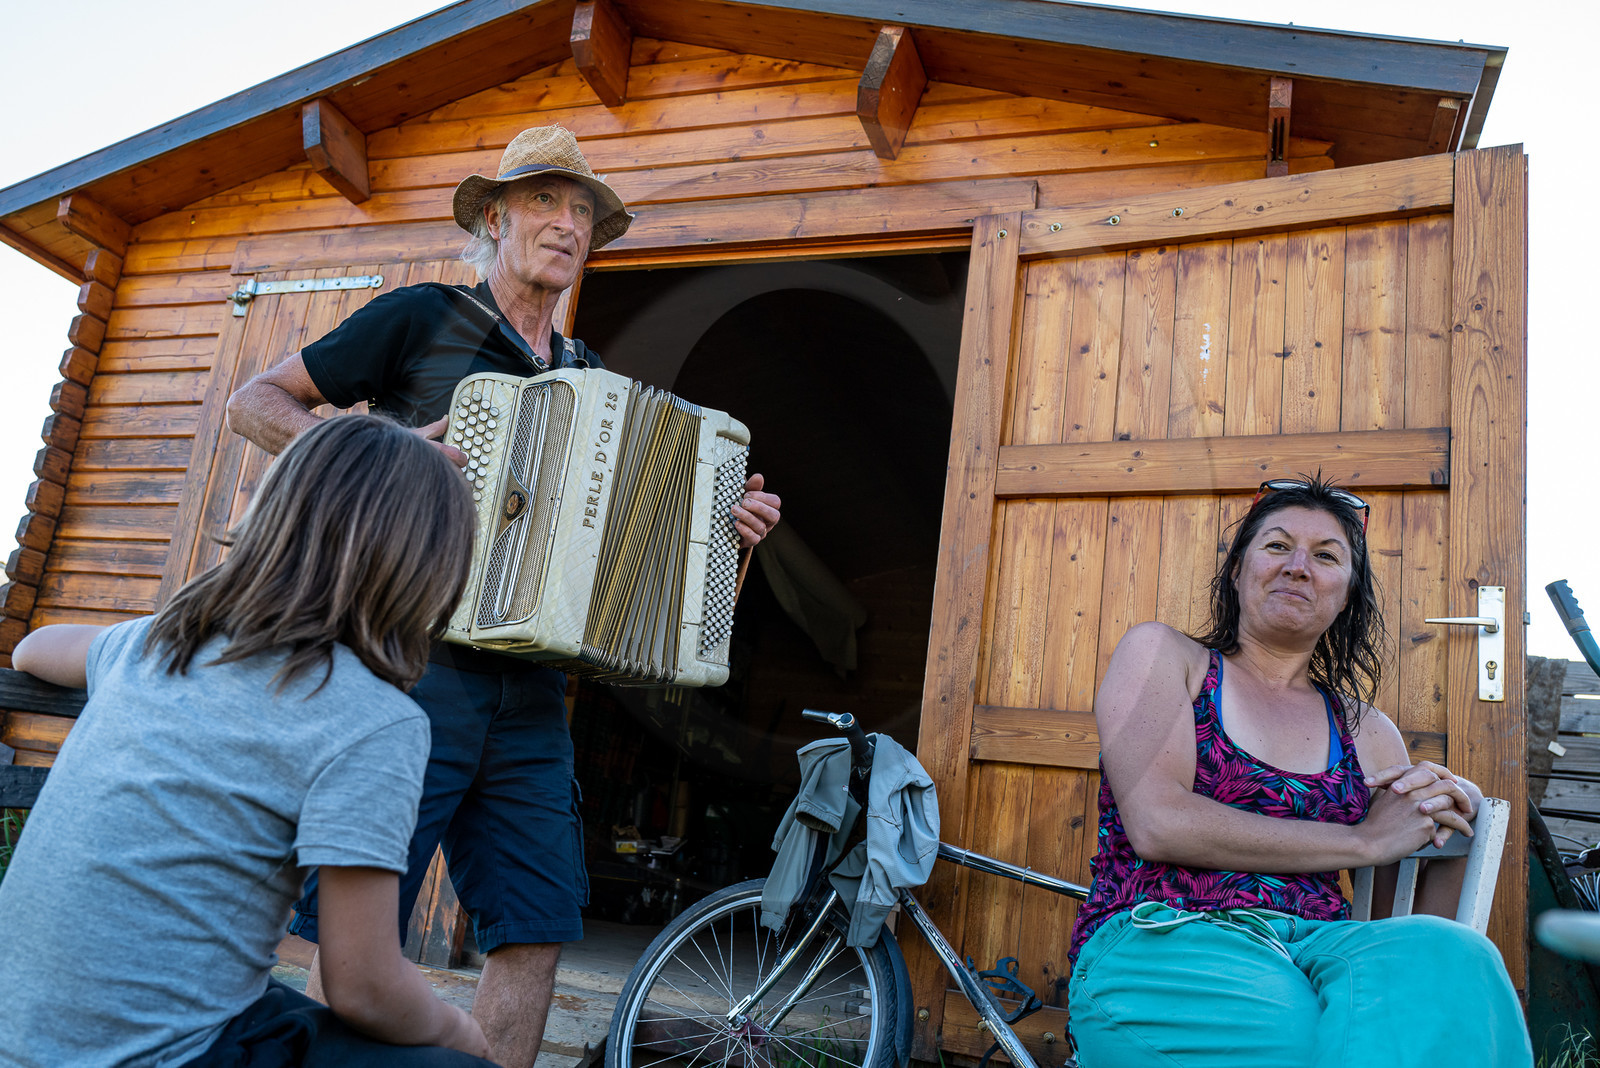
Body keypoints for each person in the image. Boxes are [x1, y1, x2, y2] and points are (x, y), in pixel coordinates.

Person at [225, 124, 782, 1067]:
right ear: (495, 216)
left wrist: (719, 532)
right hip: (407, 665)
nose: (568, 226)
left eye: (582, 213)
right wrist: (391, 454)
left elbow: (624, 550)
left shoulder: (589, 377)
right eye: (545, 203)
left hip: (531, 689)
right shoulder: (421, 319)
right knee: (368, 922)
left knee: (534, 923)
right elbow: (255, 403)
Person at [0, 415, 493, 1067]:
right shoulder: (373, 720)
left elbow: (34, 648)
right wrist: (465, 1033)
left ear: (273, 519)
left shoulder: (157, 644)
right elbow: (365, 986)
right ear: (425, 568)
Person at [1066, 475, 1531, 1068]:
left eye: (1326, 556)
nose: (1298, 567)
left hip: (1320, 949)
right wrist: (1361, 839)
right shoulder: (1168, 659)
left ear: (1346, 594)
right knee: (1302, 1038)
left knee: (1456, 962)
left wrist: (1446, 812)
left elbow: (1401, 923)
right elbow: (1159, 822)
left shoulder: (1365, 729)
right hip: (1166, 937)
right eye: (1278, 546)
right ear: (1239, 571)